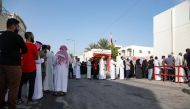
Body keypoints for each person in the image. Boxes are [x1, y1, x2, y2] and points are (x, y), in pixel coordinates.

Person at [0, 18, 27, 109]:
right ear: (13, 26)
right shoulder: (17, 37)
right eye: (17, 26)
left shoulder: (1, 36)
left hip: (1, 65)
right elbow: (25, 49)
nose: (18, 28)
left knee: (1, 88)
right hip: (14, 66)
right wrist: (18, 54)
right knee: (13, 88)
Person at [18, 32, 38, 104]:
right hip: (31, 68)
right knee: (31, 84)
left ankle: (19, 99)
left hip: (22, 68)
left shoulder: (21, 45)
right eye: (32, 35)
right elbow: (37, 56)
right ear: (30, 36)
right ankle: (29, 99)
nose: (33, 36)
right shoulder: (33, 46)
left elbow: (19, 55)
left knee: (20, 84)